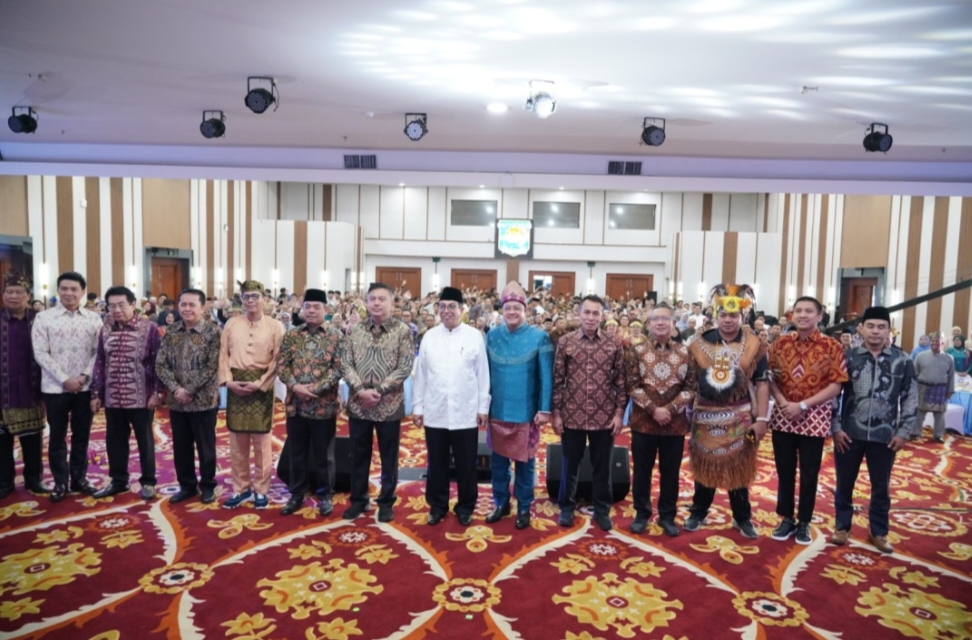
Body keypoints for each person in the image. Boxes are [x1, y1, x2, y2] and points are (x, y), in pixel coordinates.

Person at [684, 284, 770, 540]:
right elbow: (688, 381)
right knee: (705, 464)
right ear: (716, 316)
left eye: (734, 315)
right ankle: (698, 511)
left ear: (742, 317)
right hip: (704, 415)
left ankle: (742, 517)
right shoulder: (698, 343)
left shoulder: (754, 344)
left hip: (741, 416)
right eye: (723, 315)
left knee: (739, 466)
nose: (728, 320)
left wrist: (762, 419)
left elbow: (762, 383)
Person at [832, 306, 916, 554]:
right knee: (844, 481)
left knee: (881, 485)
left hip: (885, 435)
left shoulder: (902, 360)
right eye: (871, 326)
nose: (876, 331)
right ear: (861, 329)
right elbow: (834, 394)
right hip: (848, 433)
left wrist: (903, 431)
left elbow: (910, 396)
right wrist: (835, 427)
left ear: (889, 330)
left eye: (881, 327)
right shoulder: (848, 357)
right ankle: (842, 526)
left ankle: (878, 532)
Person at [768, 296, 847, 545]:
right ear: (792, 315)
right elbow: (769, 378)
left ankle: (804, 521)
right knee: (784, 470)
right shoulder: (780, 343)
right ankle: (786, 518)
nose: (803, 315)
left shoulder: (831, 346)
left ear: (819, 316)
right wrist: (782, 402)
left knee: (809, 472)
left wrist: (803, 405)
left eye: (809, 311)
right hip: (783, 415)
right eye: (798, 310)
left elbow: (836, 385)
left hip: (814, 417)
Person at [412, 286, 490, 526]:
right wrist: (418, 407)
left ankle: (465, 506)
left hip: (465, 410)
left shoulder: (474, 336)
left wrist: (483, 407)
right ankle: (437, 505)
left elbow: (482, 374)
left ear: (462, 309)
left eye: (452, 306)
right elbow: (421, 375)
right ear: (438, 309)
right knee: (437, 462)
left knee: (467, 463)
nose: (447, 311)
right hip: (435, 409)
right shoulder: (430, 337)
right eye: (443, 306)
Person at [340, 282, 414, 522]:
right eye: (372, 299)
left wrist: (379, 390)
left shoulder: (402, 331)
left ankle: (386, 502)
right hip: (359, 405)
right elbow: (345, 363)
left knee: (389, 456)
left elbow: (405, 366)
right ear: (366, 302)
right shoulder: (355, 330)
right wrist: (361, 390)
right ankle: (359, 499)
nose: (377, 303)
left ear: (392, 303)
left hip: (389, 405)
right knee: (358, 454)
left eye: (382, 299)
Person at [552, 295, 627, 531]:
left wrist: (619, 414)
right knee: (569, 464)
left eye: (596, 313)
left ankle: (602, 509)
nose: (591, 317)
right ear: (579, 313)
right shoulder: (566, 342)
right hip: (572, 414)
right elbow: (558, 380)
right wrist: (557, 413)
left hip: (604, 416)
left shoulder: (614, 343)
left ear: (602, 316)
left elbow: (621, 382)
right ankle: (566, 507)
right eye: (587, 312)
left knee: (602, 466)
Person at [485, 281, 554, 530]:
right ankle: (501, 502)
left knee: (525, 464)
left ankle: (524, 506)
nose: (512, 312)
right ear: (502, 311)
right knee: (498, 463)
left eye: (517, 308)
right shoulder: (492, 336)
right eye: (508, 308)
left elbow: (546, 376)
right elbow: (484, 374)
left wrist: (544, 409)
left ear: (525, 310)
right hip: (497, 411)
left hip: (527, 413)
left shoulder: (540, 337)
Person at [625, 302, 697, 537]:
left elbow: (691, 386)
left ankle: (667, 516)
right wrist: (654, 409)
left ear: (674, 324)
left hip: (674, 425)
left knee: (671, 472)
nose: (660, 323)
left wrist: (670, 409)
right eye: (656, 319)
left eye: (665, 319)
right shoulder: (636, 350)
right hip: (643, 422)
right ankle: (641, 514)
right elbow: (631, 385)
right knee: (641, 471)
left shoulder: (685, 352)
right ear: (649, 324)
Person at [32, 271, 104, 502]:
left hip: (84, 388)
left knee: (82, 436)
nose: (69, 293)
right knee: (57, 437)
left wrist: (83, 376)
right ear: (58, 290)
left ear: (83, 292)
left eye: (74, 289)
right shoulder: (44, 318)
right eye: (64, 288)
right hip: (55, 388)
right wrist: (65, 379)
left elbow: (99, 352)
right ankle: (60, 482)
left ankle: (79, 479)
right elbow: (40, 353)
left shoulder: (94, 319)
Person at [90, 286, 163, 499]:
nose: (116, 310)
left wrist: (157, 392)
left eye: (121, 305)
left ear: (133, 304)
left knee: (145, 441)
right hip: (113, 397)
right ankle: (118, 481)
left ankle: (148, 482)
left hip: (141, 397)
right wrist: (96, 393)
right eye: (111, 306)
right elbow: (100, 362)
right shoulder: (106, 329)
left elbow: (159, 361)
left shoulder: (149, 328)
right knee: (114, 441)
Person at [277, 289, 344, 517]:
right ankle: (297, 494)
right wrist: (296, 386)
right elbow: (282, 364)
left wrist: (315, 388)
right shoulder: (291, 335)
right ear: (302, 309)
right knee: (297, 452)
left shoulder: (336, 336)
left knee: (325, 455)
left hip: (323, 405)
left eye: (317, 307)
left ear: (326, 309)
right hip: (295, 405)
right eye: (308, 306)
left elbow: (338, 368)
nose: (312, 310)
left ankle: (325, 494)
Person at [219, 280, 285, 509]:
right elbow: (223, 355)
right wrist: (229, 382)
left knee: (262, 442)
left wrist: (260, 383)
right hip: (235, 384)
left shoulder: (275, 326)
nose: (250, 301)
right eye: (246, 296)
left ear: (264, 299)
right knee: (237, 441)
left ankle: (261, 489)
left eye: (255, 296)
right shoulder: (231, 323)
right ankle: (240, 488)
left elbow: (278, 359)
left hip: (261, 387)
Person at [156, 288, 222, 505]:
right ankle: (187, 486)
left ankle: (208, 486)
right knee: (181, 447)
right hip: (177, 402)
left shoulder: (213, 331)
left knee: (206, 447)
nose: (186, 309)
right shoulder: (172, 331)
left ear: (202, 308)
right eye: (183, 304)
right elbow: (161, 364)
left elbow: (212, 366)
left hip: (203, 401)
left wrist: (190, 390)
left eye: (192, 305)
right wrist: (176, 389)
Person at [0, 271, 48, 499]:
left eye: (18, 292)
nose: (13, 296)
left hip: (32, 389)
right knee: (1, 441)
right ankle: (4, 481)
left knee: (32, 439)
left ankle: (34, 479)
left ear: (28, 295)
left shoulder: (40, 320)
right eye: (9, 292)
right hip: (2, 391)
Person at [911, 332, 955, 443]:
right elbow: (914, 374)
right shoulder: (920, 356)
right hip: (923, 387)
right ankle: (915, 433)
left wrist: (950, 390)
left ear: (942, 342)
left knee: (940, 414)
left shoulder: (949, 358)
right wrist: (912, 389)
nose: (934, 343)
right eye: (933, 341)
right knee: (919, 412)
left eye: (937, 341)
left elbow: (951, 376)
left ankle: (938, 435)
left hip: (940, 389)